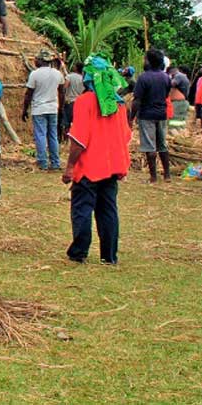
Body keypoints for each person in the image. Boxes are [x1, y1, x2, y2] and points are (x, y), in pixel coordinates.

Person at [64, 54, 131, 264]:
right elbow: (126, 136)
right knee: (108, 210)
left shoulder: (85, 102)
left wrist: (69, 166)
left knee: (82, 209)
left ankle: (79, 253)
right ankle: (109, 256)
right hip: (111, 166)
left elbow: (79, 140)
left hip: (89, 166)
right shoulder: (118, 105)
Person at [129, 48, 171, 182]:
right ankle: (167, 175)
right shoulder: (166, 77)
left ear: (150, 61)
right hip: (162, 114)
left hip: (147, 114)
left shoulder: (144, 77)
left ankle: (153, 177)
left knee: (149, 146)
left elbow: (137, 100)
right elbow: (166, 95)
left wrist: (131, 117)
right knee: (162, 144)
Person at [23, 49, 65, 170]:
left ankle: (42, 162)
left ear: (41, 61)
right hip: (53, 108)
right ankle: (55, 162)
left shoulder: (35, 74)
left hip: (39, 109)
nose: (35, 61)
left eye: (37, 59)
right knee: (53, 135)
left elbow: (28, 94)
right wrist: (61, 108)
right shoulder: (58, 74)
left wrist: (25, 109)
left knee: (40, 135)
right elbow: (61, 92)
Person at [63, 61, 85, 140]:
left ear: (76, 68)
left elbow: (65, 87)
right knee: (77, 123)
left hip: (70, 102)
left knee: (66, 123)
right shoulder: (83, 78)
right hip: (79, 103)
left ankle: (65, 140)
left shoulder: (70, 76)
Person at [168, 64, 191, 129]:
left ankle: (177, 135)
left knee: (174, 123)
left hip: (179, 102)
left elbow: (171, 84)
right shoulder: (183, 76)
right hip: (182, 101)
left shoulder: (178, 76)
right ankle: (181, 134)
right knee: (180, 122)